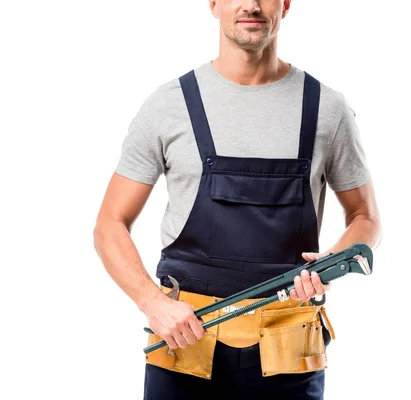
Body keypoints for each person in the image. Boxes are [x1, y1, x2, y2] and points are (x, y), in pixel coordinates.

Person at [94, 0, 382, 398]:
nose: (251, 5)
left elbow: (365, 215)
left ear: (285, 5)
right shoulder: (168, 106)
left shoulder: (328, 110)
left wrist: (333, 261)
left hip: (288, 351)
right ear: (213, 4)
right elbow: (109, 223)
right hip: (185, 346)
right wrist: (153, 303)